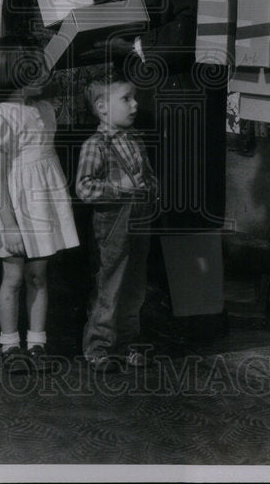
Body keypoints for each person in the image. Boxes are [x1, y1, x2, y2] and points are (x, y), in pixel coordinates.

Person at [114, 0, 237, 337]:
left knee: (184, 206)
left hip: (182, 97)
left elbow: (195, 24)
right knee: (164, 205)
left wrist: (139, 47)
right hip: (158, 94)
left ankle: (194, 323)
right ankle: (170, 315)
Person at [0, 35, 80, 372]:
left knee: (39, 275)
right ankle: (10, 345)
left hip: (43, 203)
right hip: (16, 206)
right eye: (36, 69)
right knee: (13, 277)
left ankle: (37, 342)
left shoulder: (45, 110)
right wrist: (6, 222)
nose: (45, 75)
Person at [76, 70, 157, 372]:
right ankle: (98, 347)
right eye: (127, 98)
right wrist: (120, 188)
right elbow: (84, 188)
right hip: (111, 229)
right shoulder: (95, 145)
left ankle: (125, 344)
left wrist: (149, 187)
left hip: (139, 223)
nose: (135, 104)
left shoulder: (135, 139)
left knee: (134, 287)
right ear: (102, 107)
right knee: (109, 286)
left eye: (134, 98)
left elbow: (148, 176)